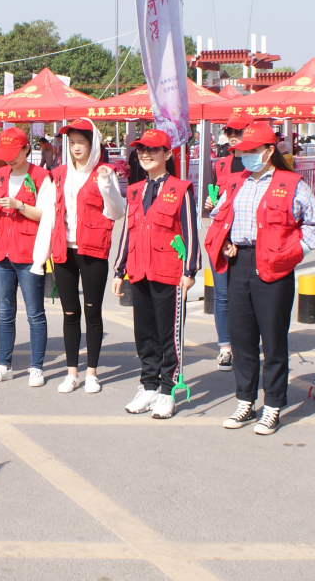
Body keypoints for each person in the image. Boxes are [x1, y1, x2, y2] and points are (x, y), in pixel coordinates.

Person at [205, 122, 315, 434]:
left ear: (269, 151)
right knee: (241, 338)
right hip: (239, 263)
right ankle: (245, 401)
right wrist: (225, 241)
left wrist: (293, 252)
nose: (245, 156)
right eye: (242, 151)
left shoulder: (292, 183)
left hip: (274, 265)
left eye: (252, 150)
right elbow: (219, 217)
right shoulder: (235, 182)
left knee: (272, 340)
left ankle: (272, 405)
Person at [111, 129, 198, 420]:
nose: (146, 155)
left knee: (168, 335)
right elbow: (128, 233)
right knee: (144, 333)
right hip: (140, 270)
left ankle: (167, 390)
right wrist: (119, 270)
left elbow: (190, 231)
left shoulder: (181, 189)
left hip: (168, 271)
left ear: (167, 154)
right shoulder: (135, 190)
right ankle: (148, 386)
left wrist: (190, 270)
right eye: (141, 150)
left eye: (152, 149)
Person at [49, 119, 126, 394]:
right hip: (63, 251)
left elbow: (117, 212)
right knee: (70, 312)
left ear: (93, 145)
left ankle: (91, 373)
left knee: (92, 312)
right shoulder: (58, 173)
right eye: (71, 143)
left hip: (93, 250)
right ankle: (72, 373)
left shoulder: (105, 172)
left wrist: (106, 186)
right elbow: (50, 214)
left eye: (81, 142)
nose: (76, 147)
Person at [0, 127, 56, 386]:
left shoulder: (41, 176)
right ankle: (4, 365)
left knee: (34, 313)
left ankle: (36, 367)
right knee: (4, 312)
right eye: (6, 154)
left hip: (29, 250)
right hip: (1, 251)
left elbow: (46, 215)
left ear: (26, 149)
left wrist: (19, 205)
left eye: (15, 153)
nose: (10, 159)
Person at [203, 111, 251, 372]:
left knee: (246, 296)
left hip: (247, 239)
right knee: (221, 295)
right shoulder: (221, 164)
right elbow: (214, 199)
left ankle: (246, 345)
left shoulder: (260, 164)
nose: (232, 136)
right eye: (229, 132)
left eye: (238, 132)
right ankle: (225, 348)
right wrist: (209, 203)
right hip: (220, 236)